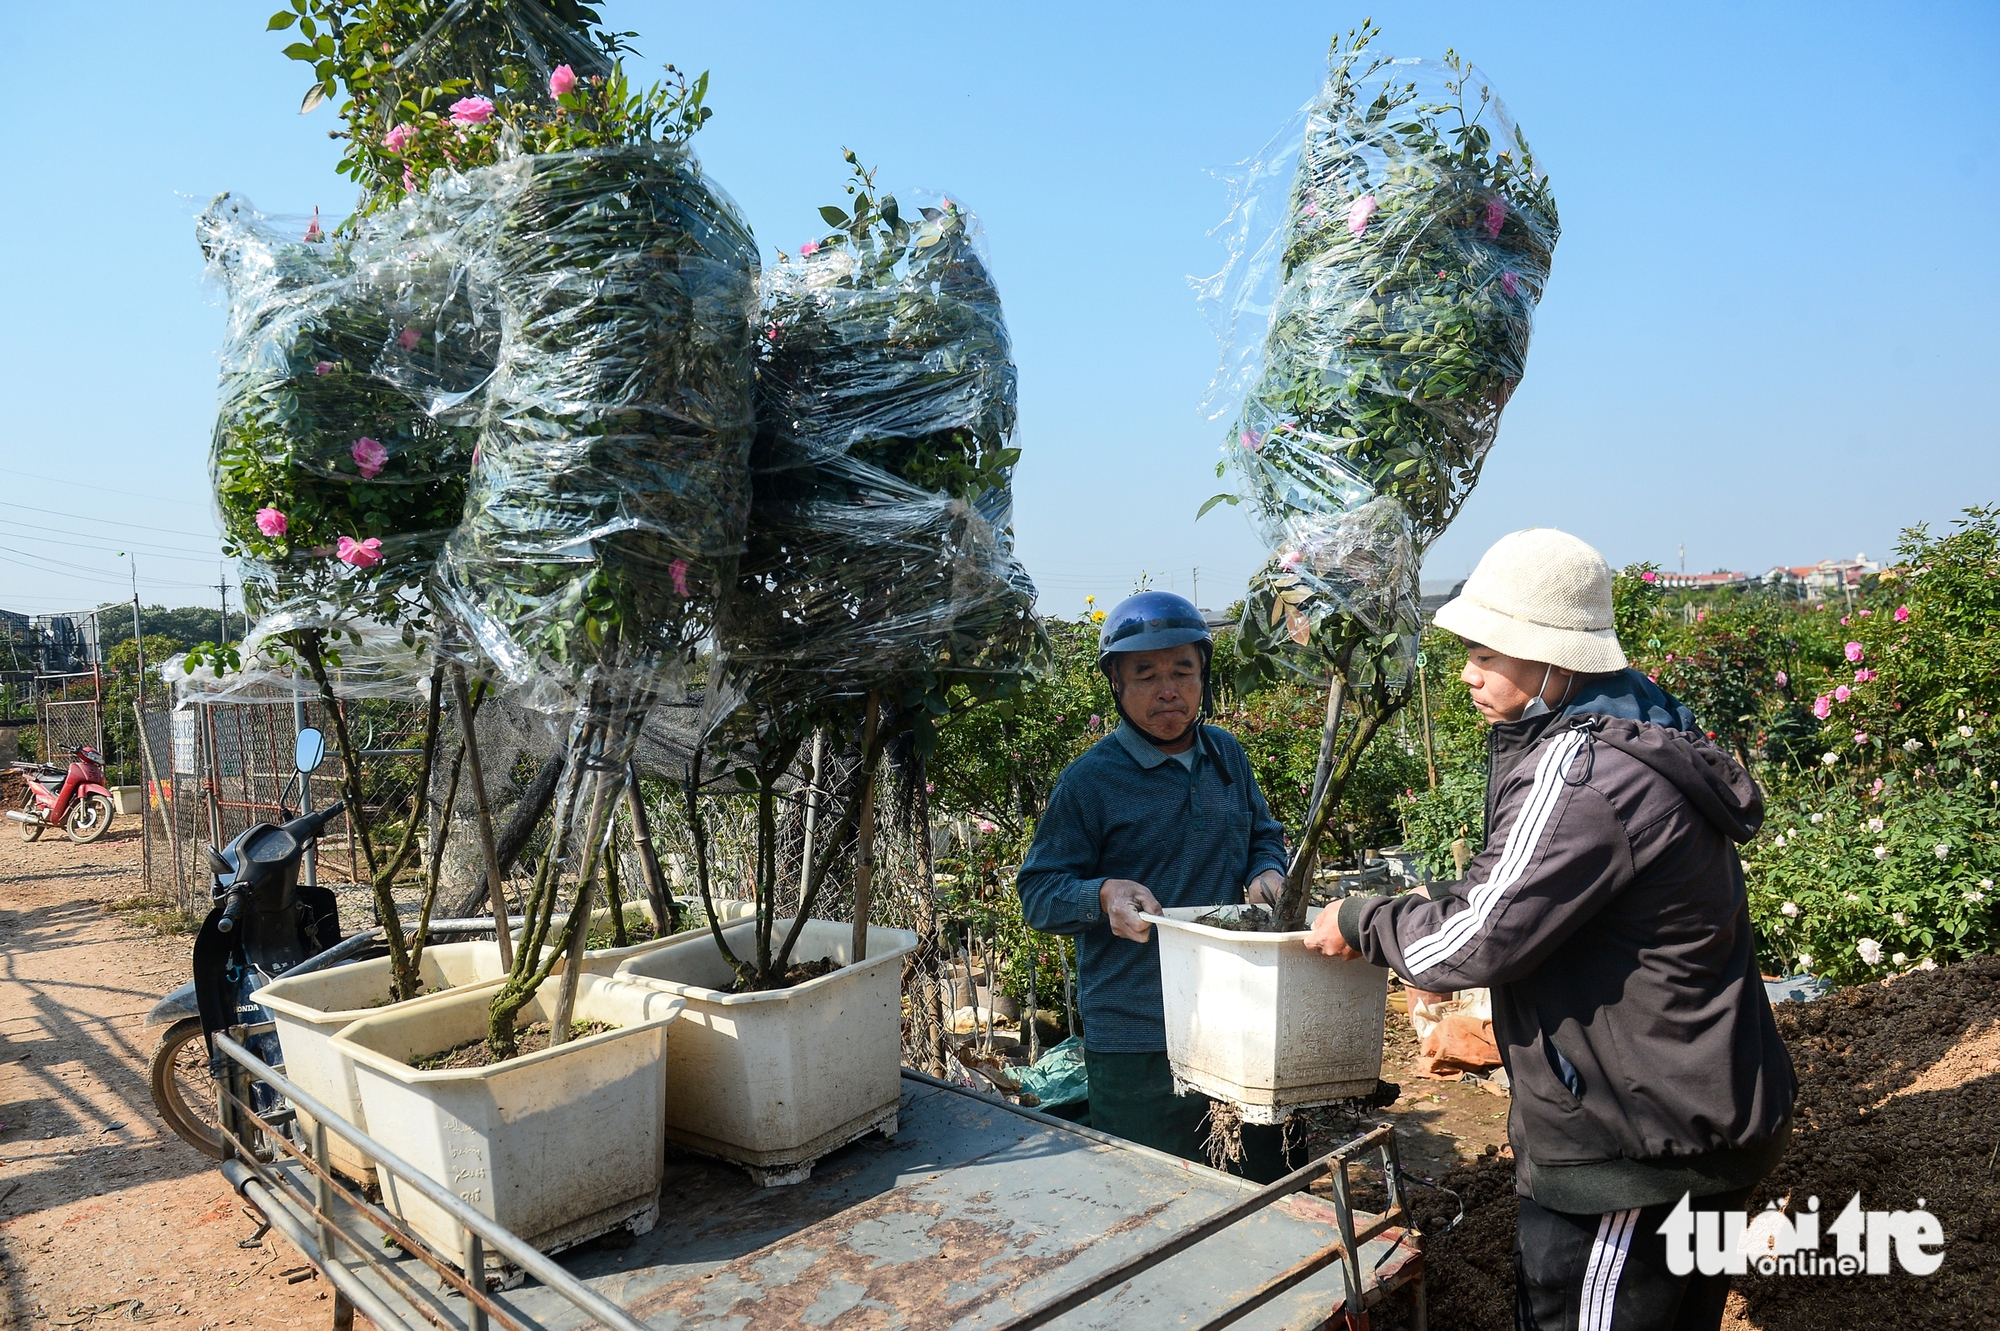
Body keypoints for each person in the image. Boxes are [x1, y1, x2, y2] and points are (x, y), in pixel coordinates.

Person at [1307, 529, 1795, 1331]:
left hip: (1633, 1149)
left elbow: (1466, 943)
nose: (1467, 671)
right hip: (1693, 1116)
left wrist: (1360, 920)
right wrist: (1432, 897)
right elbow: (1511, 878)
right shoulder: (1634, 727)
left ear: (1554, 663)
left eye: (1489, 653)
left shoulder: (1584, 771)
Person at [1015, 591, 1300, 1179]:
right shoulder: (1090, 782)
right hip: (1140, 1037)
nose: (1166, 689)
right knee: (1154, 1201)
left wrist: (1265, 870)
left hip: (1243, 1017)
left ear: (1203, 678)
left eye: (1182, 671)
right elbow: (1039, 891)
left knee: (1270, 1190)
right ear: (1116, 684)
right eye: (1145, 674)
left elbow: (1264, 835)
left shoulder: (1226, 756)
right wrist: (1102, 896)